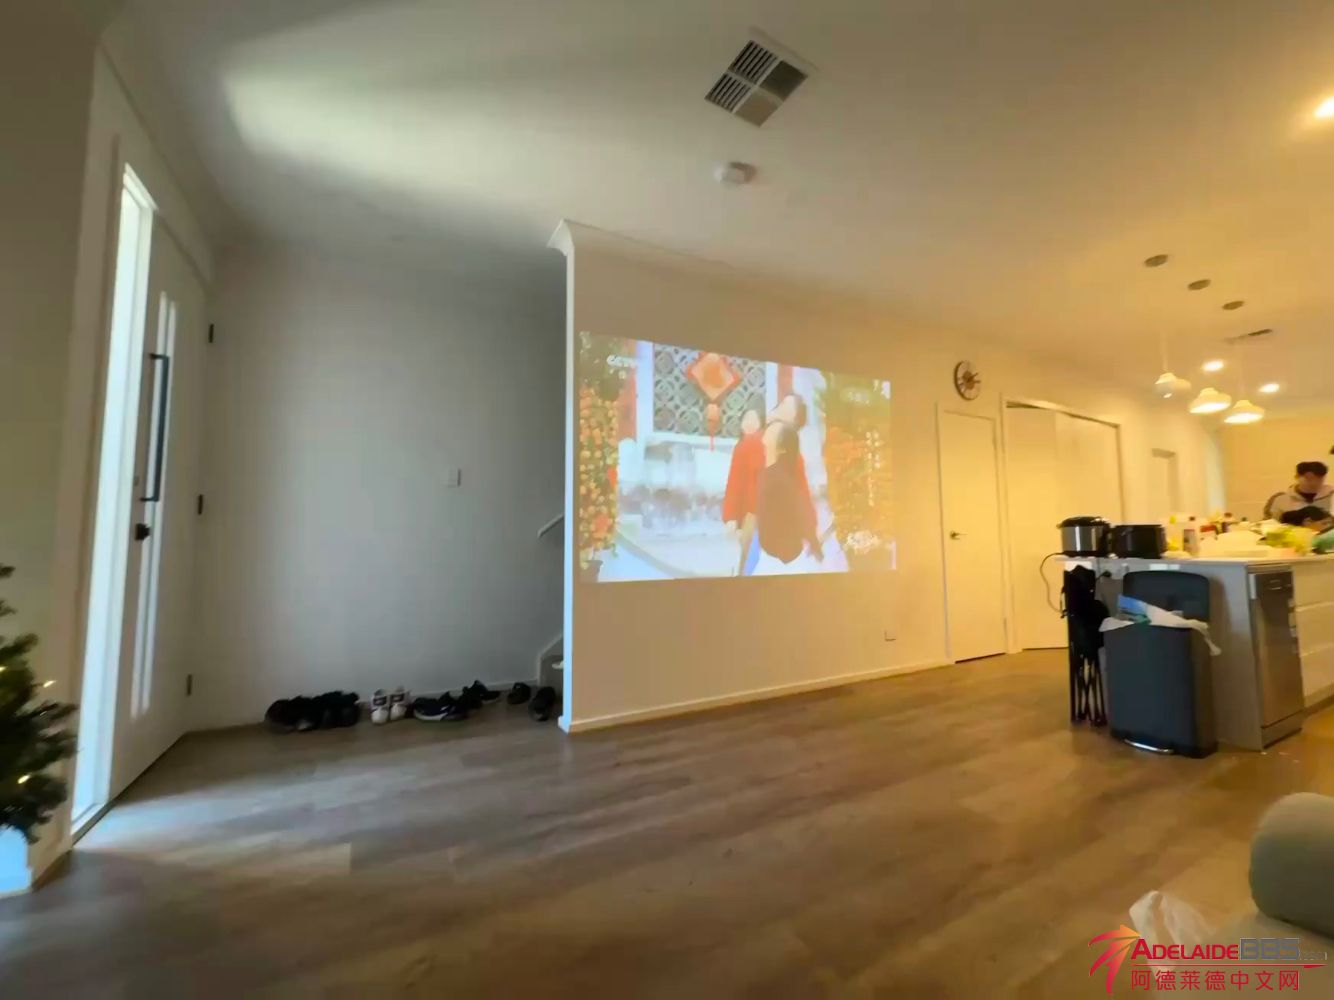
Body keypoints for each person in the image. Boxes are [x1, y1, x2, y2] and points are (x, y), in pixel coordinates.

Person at [755, 424, 823, 567]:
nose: (764, 438)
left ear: (782, 448)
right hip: (777, 555)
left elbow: (800, 511)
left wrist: (812, 541)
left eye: (770, 434)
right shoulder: (775, 475)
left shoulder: (777, 479)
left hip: (781, 559)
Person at [722, 409, 765, 575]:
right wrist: (731, 517)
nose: (750, 423)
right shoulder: (741, 447)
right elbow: (734, 483)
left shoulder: (767, 445)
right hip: (750, 515)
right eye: (746, 419)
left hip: (761, 513)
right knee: (750, 560)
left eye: (754, 419)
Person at [1265, 462, 1333, 520]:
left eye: (1319, 479)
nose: (1314, 483)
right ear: (1297, 477)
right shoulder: (1281, 500)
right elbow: (1268, 526)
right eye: (1309, 478)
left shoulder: (1332, 497)